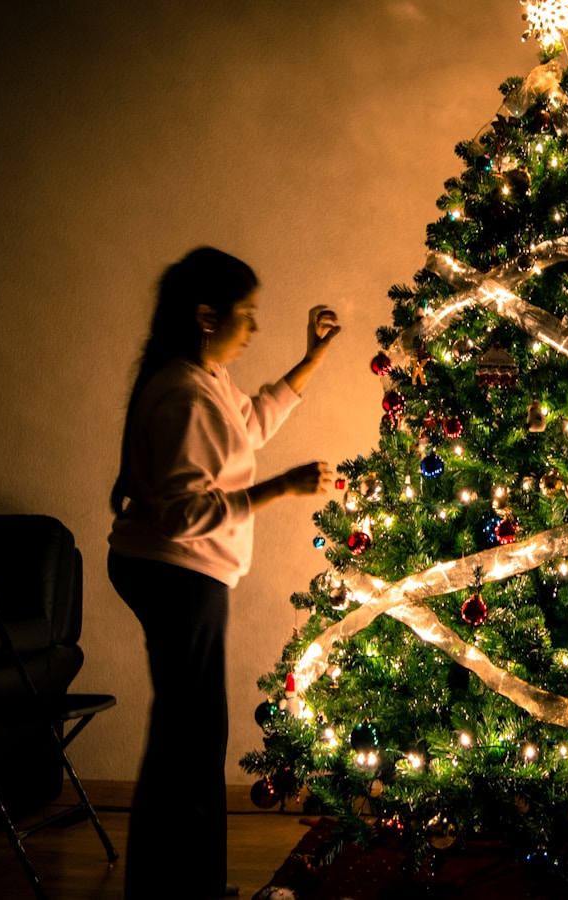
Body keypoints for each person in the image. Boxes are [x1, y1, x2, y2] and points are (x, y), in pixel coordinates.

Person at [107, 246, 339, 899]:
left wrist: (312, 357)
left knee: (189, 736)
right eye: (248, 315)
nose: (255, 329)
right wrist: (279, 489)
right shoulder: (182, 392)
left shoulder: (205, 379)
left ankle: (179, 887)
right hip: (177, 573)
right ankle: (182, 890)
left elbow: (250, 422)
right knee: (192, 743)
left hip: (182, 572)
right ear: (208, 316)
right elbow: (184, 514)